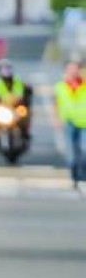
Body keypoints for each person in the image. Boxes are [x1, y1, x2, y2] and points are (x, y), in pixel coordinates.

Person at [54, 60, 86, 189]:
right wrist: (57, 119)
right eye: (70, 69)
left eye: (75, 69)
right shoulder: (60, 86)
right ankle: (74, 176)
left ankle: (83, 174)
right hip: (69, 122)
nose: (73, 72)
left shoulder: (84, 85)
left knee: (84, 149)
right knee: (71, 152)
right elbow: (56, 104)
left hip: (84, 121)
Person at [0, 59, 33, 145]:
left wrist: (28, 92)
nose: (6, 71)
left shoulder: (17, 80)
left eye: (8, 69)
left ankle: (25, 132)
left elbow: (26, 90)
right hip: (4, 108)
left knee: (26, 115)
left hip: (17, 106)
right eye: (3, 69)